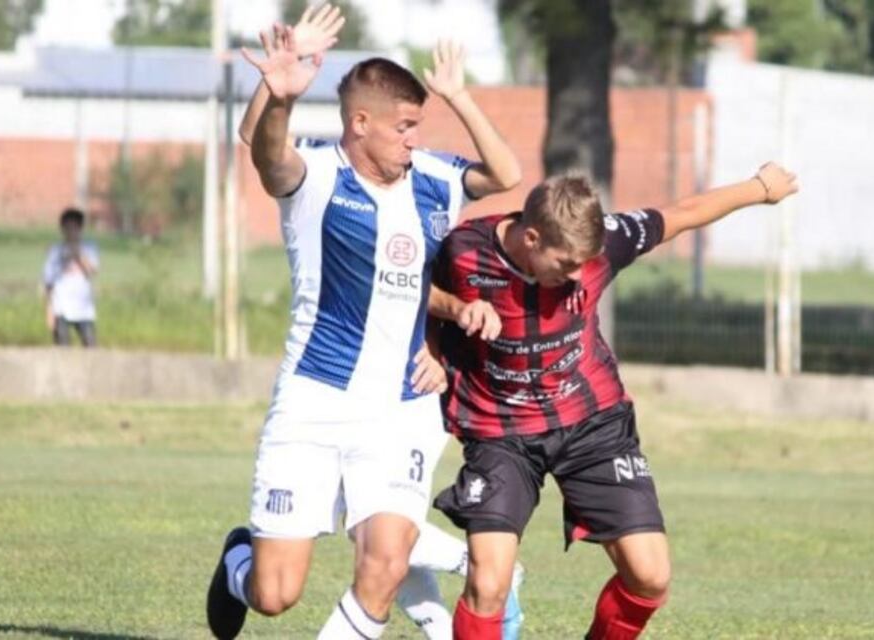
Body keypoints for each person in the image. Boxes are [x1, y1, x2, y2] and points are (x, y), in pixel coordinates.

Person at [205, 4, 522, 639]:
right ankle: (240, 561)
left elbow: (507, 174)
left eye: (417, 125)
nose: (413, 138)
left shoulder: (432, 176)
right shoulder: (318, 174)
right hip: (314, 400)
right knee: (274, 594)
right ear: (360, 123)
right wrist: (282, 94)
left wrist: (458, 98)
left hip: (402, 406)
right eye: (403, 126)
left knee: (383, 564)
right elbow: (267, 155)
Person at [431, 163, 799, 639]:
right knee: (488, 581)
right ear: (532, 238)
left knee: (650, 577)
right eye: (566, 265)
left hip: (592, 422)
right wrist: (438, 338)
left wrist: (758, 189)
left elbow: (681, 213)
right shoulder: (463, 249)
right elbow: (412, 291)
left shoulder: (602, 244)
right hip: (500, 432)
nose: (576, 276)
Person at [43, 207, 99, 347]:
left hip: (84, 309)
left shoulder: (89, 248)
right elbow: (49, 281)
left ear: (80, 229)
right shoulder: (55, 251)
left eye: (74, 228)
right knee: (63, 348)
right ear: (62, 229)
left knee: (91, 346)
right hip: (61, 307)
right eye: (67, 228)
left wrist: (78, 254)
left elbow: (92, 271)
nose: (71, 232)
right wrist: (49, 310)